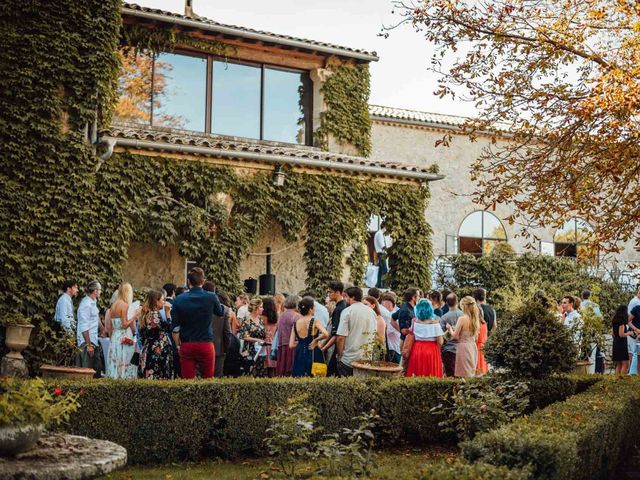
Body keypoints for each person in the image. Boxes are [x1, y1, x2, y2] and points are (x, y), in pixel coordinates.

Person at [171, 267, 224, 379]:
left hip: (187, 344)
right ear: (203, 281)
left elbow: (175, 328)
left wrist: (178, 345)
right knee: (208, 380)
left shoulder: (179, 299)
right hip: (205, 343)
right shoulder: (211, 297)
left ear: (189, 282)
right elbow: (220, 312)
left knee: (187, 381)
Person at [335, 287, 378, 377]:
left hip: (348, 359)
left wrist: (340, 355)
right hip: (366, 359)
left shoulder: (347, 311)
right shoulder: (371, 312)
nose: (344, 299)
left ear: (352, 297)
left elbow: (340, 337)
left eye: (346, 296)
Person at [139, 289, 175, 379]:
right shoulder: (154, 314)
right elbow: (169, 328)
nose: (164, 302)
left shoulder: (147, 314)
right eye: (162, 300)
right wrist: (167, 313)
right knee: (158, 377)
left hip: (149, 349)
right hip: (157, 352)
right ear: (156, 301)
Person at [106, 282, 139, 379]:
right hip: (124, 338)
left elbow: (110, 327)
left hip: (115, 337)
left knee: (115, 363)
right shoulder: (125, 306)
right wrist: (135, 316)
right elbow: (125, 324)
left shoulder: (114, 305)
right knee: (125, 363)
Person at [290, 296, 329, 377]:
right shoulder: (314, 320)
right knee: (316, 377)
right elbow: (326, 334)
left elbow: (291, 345)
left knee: (299, 378)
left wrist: (301, 343)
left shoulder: (295, 323)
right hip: (313, 351)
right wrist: (316, 340)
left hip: (300, 353)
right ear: (311, 310)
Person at [406, 299, 444, 377]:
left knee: (417, 372)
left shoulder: (414, 323)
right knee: (431, 373)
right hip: (432, 350)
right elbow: (440, 342)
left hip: (417, 349)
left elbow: (411, 335)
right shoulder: (435, 324)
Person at [76, 280, 105, 377]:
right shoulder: (86, 304)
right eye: (100, 290)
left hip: (93, 340)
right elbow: (84, 327)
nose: (101, 292)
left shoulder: (93, 301)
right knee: (87, 372)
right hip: (86, 342)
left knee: (97, 370)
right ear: (95, 291)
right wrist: (88, 345)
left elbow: (96, 317)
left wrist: (103, 330)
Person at [203, 283, 232, 378]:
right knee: (217, 377)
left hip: (200, 345)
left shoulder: (196, 307)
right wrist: (227, 348)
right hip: (218, 348)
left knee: (200, 377)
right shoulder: (225, 310)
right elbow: (227, 332)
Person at [447, 296, 479, 378]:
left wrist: (450, 328)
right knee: (471, 373)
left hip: (463, 348)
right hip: (472, 347)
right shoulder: (475, 319)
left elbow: (455, 336)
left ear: (464, 306)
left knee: (464, 374)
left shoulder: (462, 319)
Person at [322, 282, 348, 376]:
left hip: (338, 348)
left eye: (330, 292)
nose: (328, 294)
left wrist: (323, 348)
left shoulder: (339, 309)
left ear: (338, 292)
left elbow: (336, 334)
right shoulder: (342, 306)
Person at [238, 298, 267, 377]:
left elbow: (263, 334)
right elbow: (244, 336)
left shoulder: (260, 320)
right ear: (255, 308)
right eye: (261, 307)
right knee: (250, 371)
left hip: (260, 350)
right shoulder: (246, 320)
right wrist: (257, 340)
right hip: (250, 349)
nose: (263, 309)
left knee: (260, 371)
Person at [275, 295, 301, 377]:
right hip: (293, 346)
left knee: (282, 370)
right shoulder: (297, 316)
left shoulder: (281, 316)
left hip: (282, 346)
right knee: (291, 370)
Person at [440, 293, 463, 377]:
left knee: (451, 376)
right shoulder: (464, 315)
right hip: (462, 349)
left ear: (446, 303)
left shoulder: (444, 318)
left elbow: (442, 336)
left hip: (449, 350)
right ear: (457, 301)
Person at [612, 305, 632, 375]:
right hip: (621, 343)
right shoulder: (621, 322)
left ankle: (617, 380)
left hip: (616, 342)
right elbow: (621, 334)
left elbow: (613, 334)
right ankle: (621, 380)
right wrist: (629, 333)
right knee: (625, 363)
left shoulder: (614, 321)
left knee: (619, 364)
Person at [262, 296, 279, 376]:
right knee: (273, 367)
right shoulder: (277, 316)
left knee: (265, 366)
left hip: (265, 341)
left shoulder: (263, 317)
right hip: (273, 342)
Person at [475, 309, 489, 376]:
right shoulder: (484, 324)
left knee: (478, 369)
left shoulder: (477, 324)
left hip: (477, 347)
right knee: (483, 368)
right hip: (483, 347)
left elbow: (476, 338)